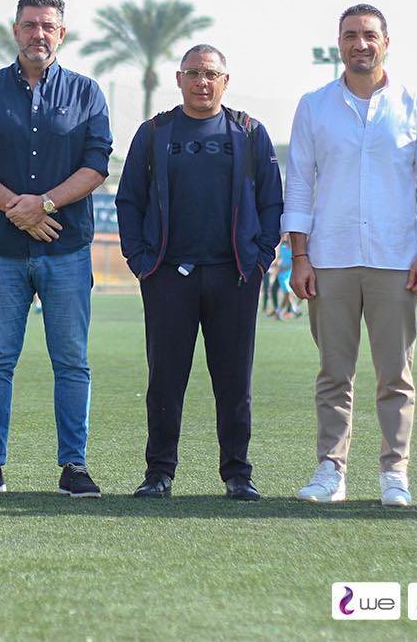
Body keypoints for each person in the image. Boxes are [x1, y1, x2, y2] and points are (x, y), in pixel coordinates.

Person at [284, 3, 417, 507]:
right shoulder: (314, 106)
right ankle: (330, 470)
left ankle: (395, 471)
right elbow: (299, 183)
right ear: (339, 44)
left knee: (396, 375)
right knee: (334, 373)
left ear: (386, 43)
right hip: (329, 258)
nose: (361, 44)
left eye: (370, 35)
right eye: (351, 35)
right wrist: (300, 256)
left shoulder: (415, 105)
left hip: (396, 260)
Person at [0, 0, 112, 497]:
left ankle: (74, 467)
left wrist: (42, 204)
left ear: (61, 33)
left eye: (47, 26)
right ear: (15, 30)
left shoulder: (87, 93)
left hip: (66, 251)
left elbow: (97, 165)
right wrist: (16, 209)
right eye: (29, 25)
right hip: (1, 250)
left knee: (71, 361)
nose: (38, 34)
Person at [116, 44, 282, 500]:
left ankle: (237, 474)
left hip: (234, 276)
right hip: (168, 276)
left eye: (210, 74)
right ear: (178, 79)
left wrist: (260, 258)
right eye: (193, 73)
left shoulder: (249, 132)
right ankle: (159, 472)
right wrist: (141, 261)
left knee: (234, 382)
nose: (201, 82)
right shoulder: (154, 133)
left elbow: (272, 201)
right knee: (165, 381)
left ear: (225, 81)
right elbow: (129, 199)